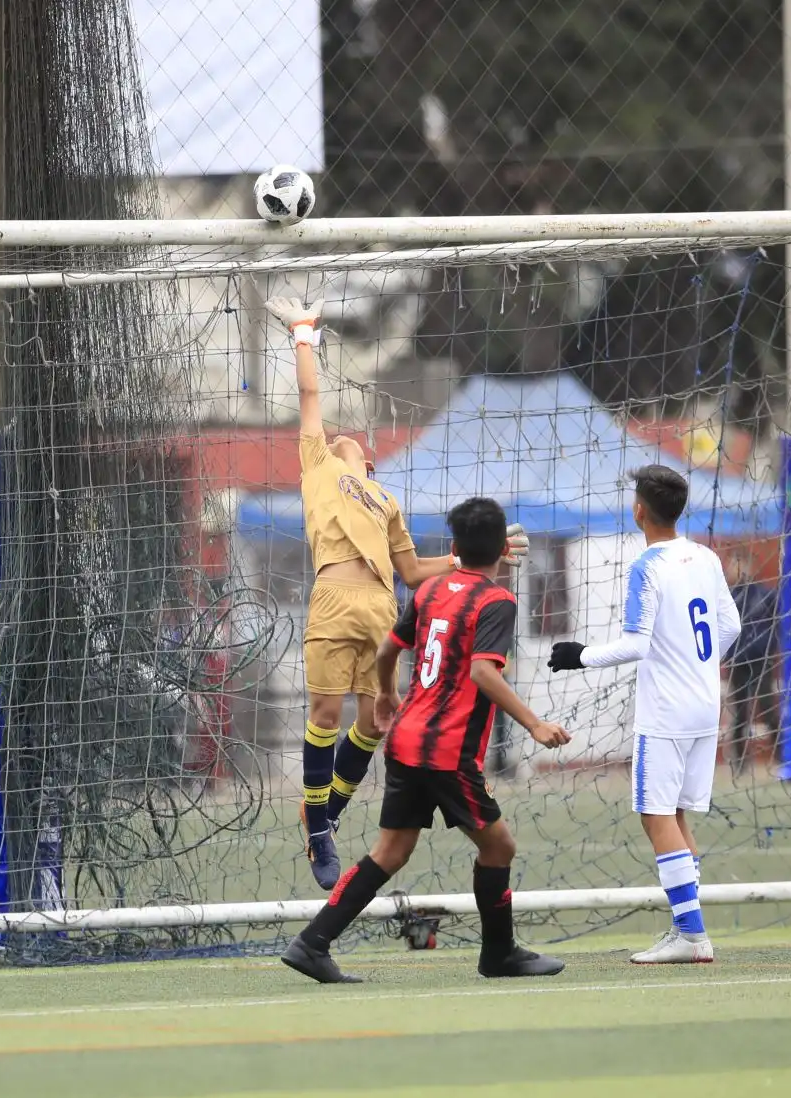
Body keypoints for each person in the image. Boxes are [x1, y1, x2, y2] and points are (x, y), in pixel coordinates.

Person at [266, 296, 527, 889]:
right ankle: (318, 829)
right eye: (340, 438)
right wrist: (303, 334)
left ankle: (324, 815)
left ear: (370, 465)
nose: (347, 440)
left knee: (373, 722)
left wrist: (469, 557)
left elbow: (410, 571)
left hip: (382, 607)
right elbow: (310, 396)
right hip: (336, 597)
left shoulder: (384, 499)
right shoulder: (319, 467)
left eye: (355, 443)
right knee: (325, 714)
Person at [280, 497, 569, 983]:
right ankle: (499, 954)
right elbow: (483, 672)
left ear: (454, 545)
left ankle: (312, 943)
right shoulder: (496, 601)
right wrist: (534, 724)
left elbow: (389, 648)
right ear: (504, 549)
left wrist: (386, 694)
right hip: (446, 752)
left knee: (390, 852)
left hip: (405, 741)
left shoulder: (431, 589)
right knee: (499, 847)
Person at [547, 464, 740, 965]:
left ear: (639, 510)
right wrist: (697, 664)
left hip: (667, 711)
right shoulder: (705, 556)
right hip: (705, 706)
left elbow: (636, 644)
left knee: (656, 815)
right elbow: (731, 626)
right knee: (675, 815)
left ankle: (692, 936)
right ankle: (688, 929)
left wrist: (580, 656)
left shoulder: (647, 566)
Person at [725, 549, 779, 772]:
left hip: (761, 660)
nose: (735, 569)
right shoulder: (726, 597)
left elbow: (777, 624)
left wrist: (768, 647)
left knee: (768, 708)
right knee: (740, 713)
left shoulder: (765, 595)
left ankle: (782, 757)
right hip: (738, 662)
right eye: (732, 564)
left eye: (739, 563)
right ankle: (740, 764)